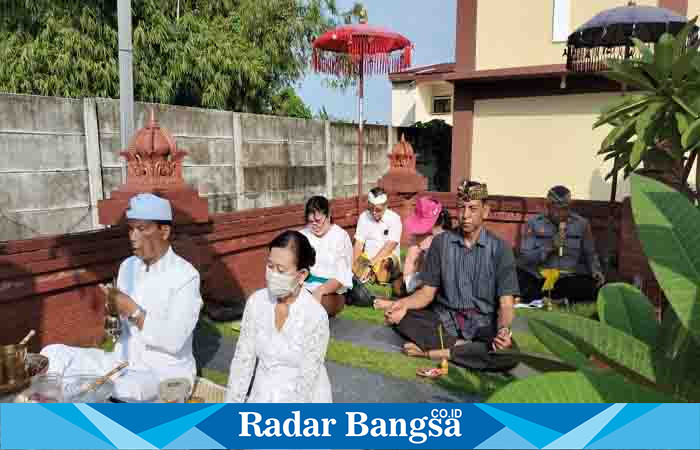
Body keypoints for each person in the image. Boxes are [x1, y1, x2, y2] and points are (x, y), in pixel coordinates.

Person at [42, 193, 203, 401]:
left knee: (122, 390)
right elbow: (118, 333)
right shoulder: (128, 266)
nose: (133, 236)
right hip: (121, 362)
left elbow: (174, 340)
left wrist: (133, 311)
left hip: (161, 372)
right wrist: (113, 316)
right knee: (52, 355)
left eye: (142, 229)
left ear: (164, 231)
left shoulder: (186, 276)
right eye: (130, 228)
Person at [377, 180, 519, 371]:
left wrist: (503, 331)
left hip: (483, 324)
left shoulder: (501, 249)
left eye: (472, 208)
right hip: (444, 320)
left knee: (509, 354)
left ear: (485, 211)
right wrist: (402, 304)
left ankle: (432, 352)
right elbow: (426, 294)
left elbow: (506, 304)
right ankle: (469, 350)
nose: (465, 215)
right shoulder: (441, 243)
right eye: (461, 208)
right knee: (401, 318)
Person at [225, 230, 331, 403]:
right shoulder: (257, 303)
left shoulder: (315, 316)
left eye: (281, 270)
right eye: (270, 266)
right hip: (262, 395)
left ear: (302, 275)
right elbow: (243, 361)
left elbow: (307, 381)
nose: (273, 274)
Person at [517, 185, 605, 304]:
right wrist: (550, 247)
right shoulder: (534, 224)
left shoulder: (581, 224)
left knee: (590, 285)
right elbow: (525, 257)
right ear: (548, 206)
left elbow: (590, 253)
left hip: (567, 279)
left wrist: (596, 270)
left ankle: (552, 299)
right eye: (557, 209)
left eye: (565, 209)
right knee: (519, 276)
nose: (561, 213)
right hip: (540, 278)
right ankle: (552, 299)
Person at [348, 187, 403, 306]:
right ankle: (368, 288)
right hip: (367, 259)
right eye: (371, 208)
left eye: (378, 210)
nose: (374, 213)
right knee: (351, 264)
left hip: (387, 258)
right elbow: (358, 244)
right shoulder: (364, 217)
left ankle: (373, 287)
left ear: (386, 206)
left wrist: (370, 264)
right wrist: (355, 266)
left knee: (385, 265)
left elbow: (390, 246)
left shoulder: (394, 219)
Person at [300, 195, 353, 317]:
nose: (314, 225)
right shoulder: (302, 235)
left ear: (328, 216)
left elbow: (341, 277)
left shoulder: (340, 236)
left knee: (318, 305)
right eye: (310, 221)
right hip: (304, 287)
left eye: (318, 221)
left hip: (331, 291)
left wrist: (320, 291)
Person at [398, 197, 451, 296]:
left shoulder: (448, 246)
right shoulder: (422, 246)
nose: (417, 236)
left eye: (425, 233)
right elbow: (410, 266)